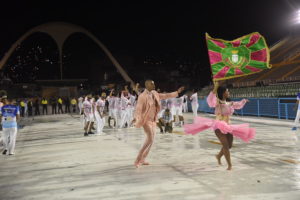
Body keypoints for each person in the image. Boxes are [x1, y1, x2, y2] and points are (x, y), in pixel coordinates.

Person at [184, 82, 255, 170]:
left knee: (229, 145)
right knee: (225, 145)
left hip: (228, 126)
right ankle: (230, 165)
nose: (228, 92)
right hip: (219, 125)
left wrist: (244, 101)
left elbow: (238, 104)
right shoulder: (217, 102)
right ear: (223, 93)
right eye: (227, 91)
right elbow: (210, 99)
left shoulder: (229, 103)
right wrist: (215, 88)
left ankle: (218, 156)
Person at [132, 79, 184, 168]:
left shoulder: (155, 93)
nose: (154, 86)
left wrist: (177, 92)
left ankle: (143, 158)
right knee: (150, 139)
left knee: (151, 141)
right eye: (152, 84)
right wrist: (136, 118)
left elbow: (165, 95)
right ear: (147, 85)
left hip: (153, 120)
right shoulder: (142, 96)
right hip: (146, 120)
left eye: (154, 84)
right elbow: (139, 108)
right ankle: (138, 160)